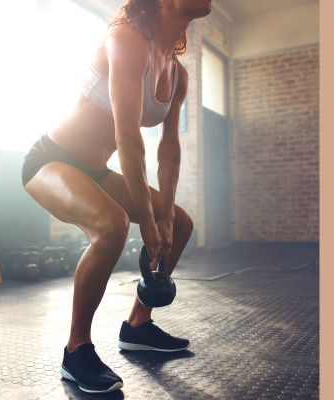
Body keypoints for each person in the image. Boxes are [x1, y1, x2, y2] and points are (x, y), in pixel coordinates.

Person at [21, 0, 212, 394]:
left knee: (180, 222)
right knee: (112, 225)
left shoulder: (178, 74)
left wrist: (163, 218)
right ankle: (76, 351)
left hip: (97, 169)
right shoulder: (126, 40)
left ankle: (138, 325)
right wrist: (147, 218)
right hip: (51, 160)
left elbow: (169, 150)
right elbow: (128, 137)